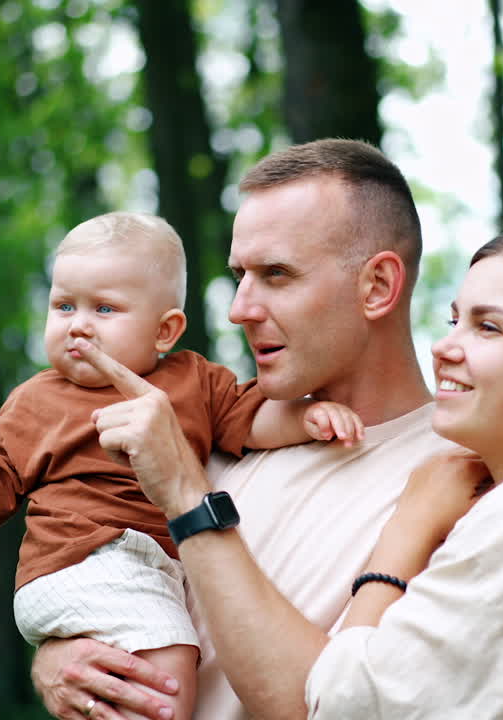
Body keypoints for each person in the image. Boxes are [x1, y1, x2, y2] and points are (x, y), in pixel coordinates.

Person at [76, 230, 503, 719]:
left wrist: (188, 494)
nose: (446, 346)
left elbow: (339, 706)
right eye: (454, 319)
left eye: (489, 327)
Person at [31, 140, 459, 720]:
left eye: (276, 274)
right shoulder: (208, 437)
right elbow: (109, 591)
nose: (239, 309)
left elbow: (337, 707)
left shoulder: (464, 481)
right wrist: (59, 656)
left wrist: (188, 496)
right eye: (240, 275)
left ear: (378, 286)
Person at [0, 211, 365, 720]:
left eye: (104, 308)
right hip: (84, 554)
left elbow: (250, 416)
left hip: (139, 566)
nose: (77, 324)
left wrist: (308, 416)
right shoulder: (36, 398)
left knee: (128, 685)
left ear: (165, 330)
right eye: (63, 305)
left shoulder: (194, 381)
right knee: (168, 669)